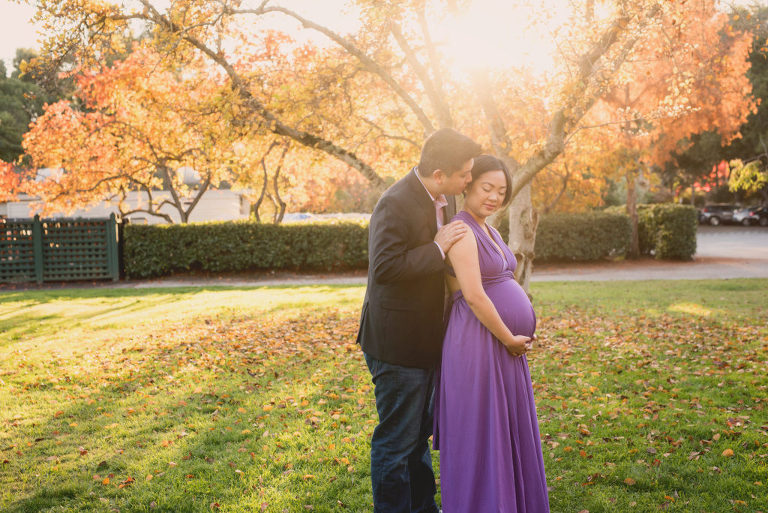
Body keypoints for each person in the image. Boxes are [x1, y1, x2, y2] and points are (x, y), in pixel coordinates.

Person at [357, 128, 483, 513]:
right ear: (441, 173)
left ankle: (423, 508)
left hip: (427, 340)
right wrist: (436, 247)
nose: (469, 181)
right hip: (398, 344)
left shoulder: (441, 199)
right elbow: (384, 268)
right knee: (396, 441)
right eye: (465, 174)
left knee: (417, 439)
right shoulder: (395, 202)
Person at [434, 155, 549, 512]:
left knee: (507, 429)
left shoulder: (490, 230)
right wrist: (508, 336)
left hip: (503, 344)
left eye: (501, 190)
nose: (494, 197)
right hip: (480, 342)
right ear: (466, 184)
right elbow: (473, 295)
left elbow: (503, 280)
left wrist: (521, 322)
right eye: (487, 187)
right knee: (484, 432)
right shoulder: (461, 230)